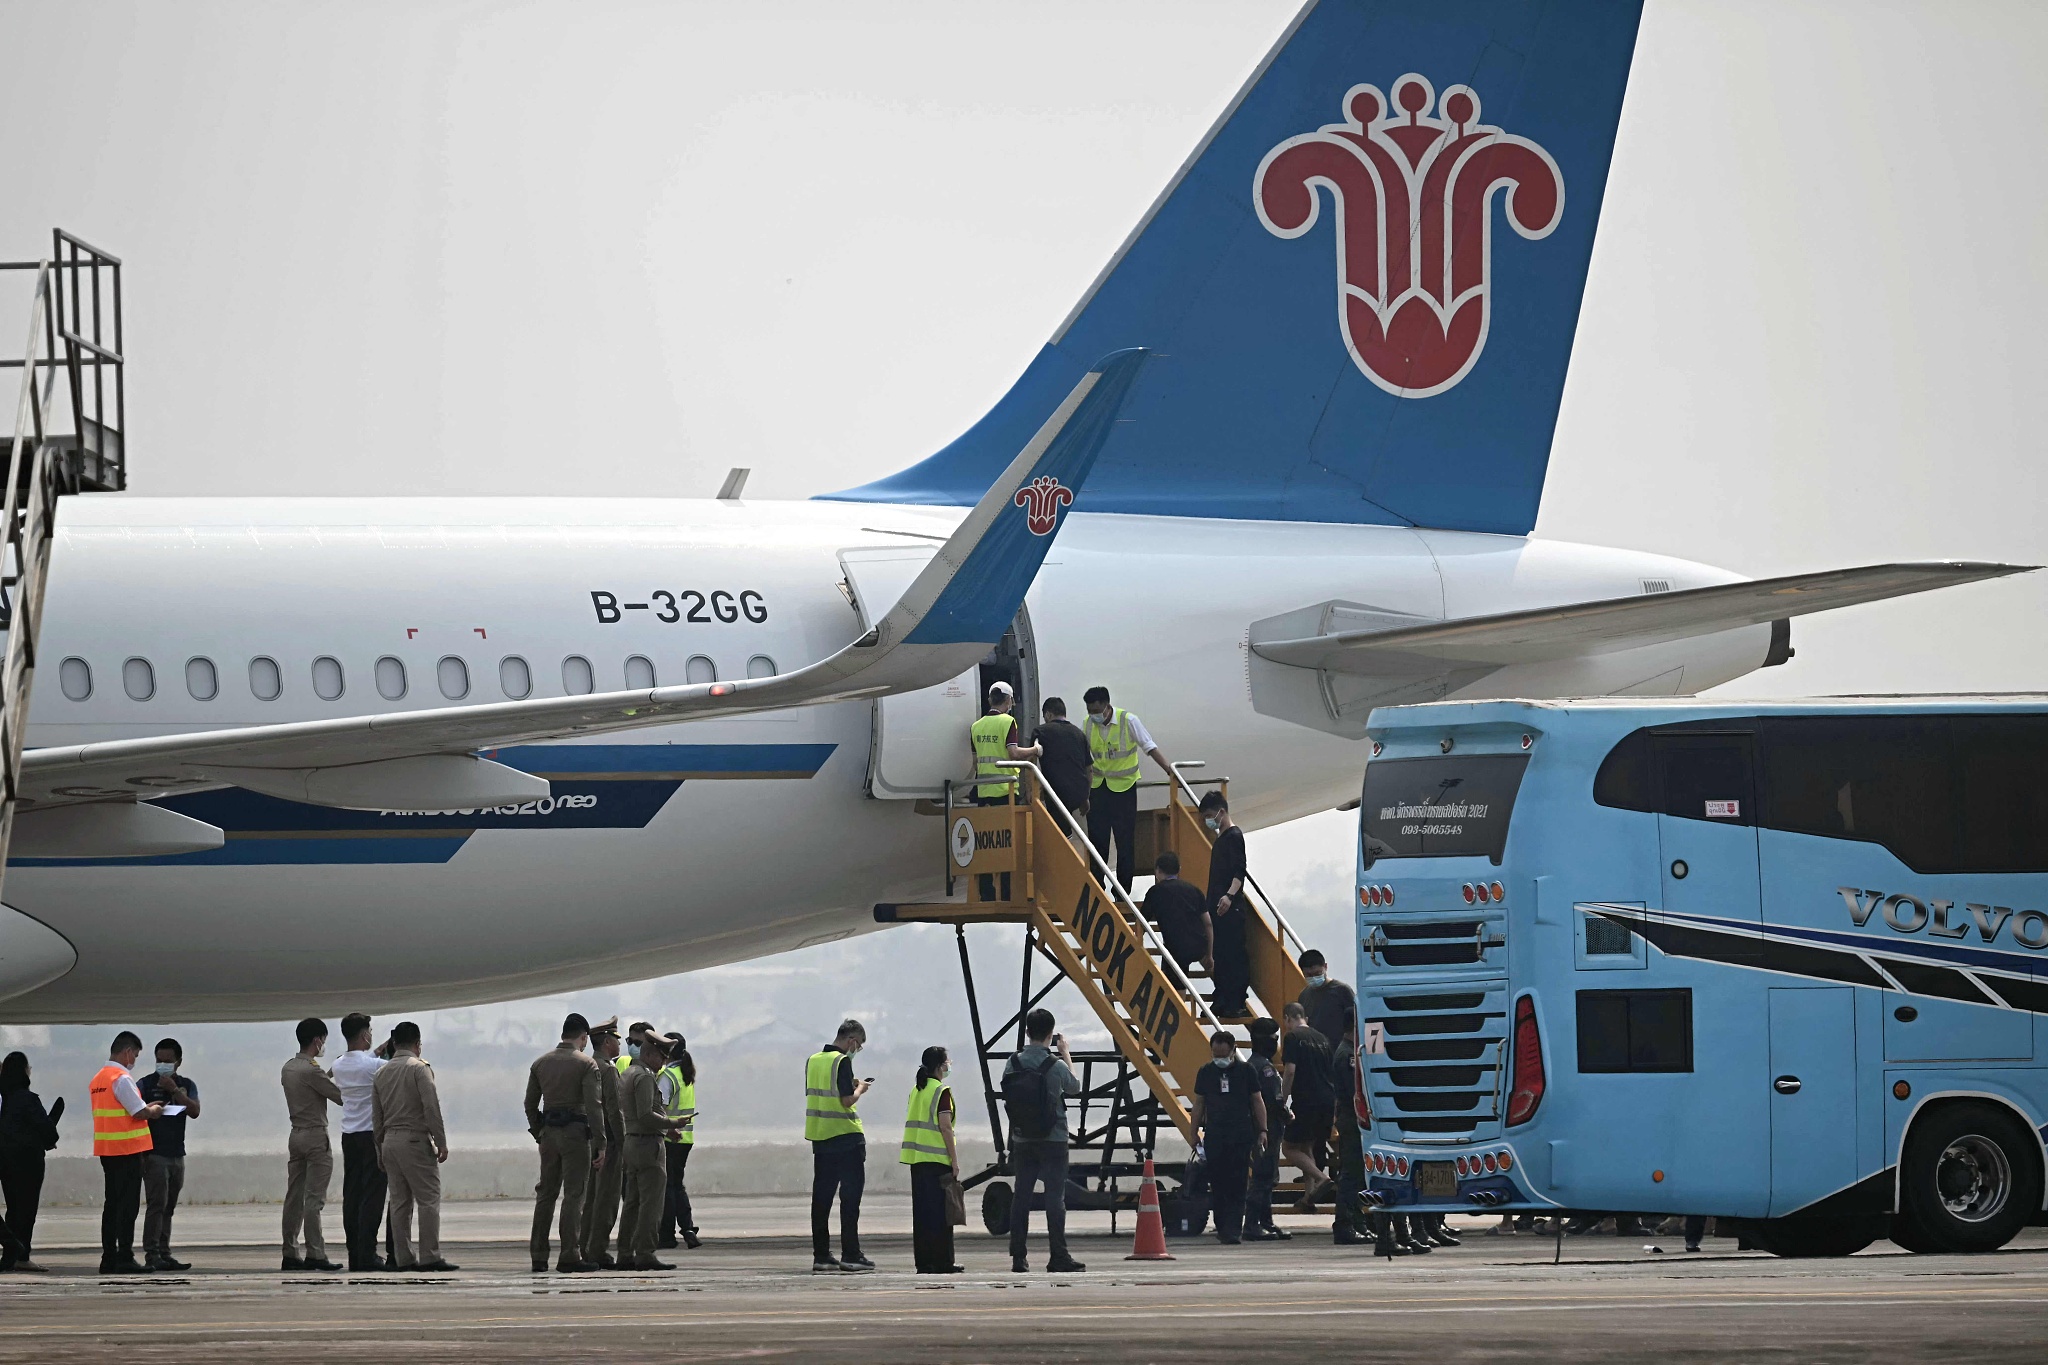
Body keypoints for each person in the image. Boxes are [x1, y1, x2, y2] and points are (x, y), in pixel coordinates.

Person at [1001, 1008, 1085, 1274]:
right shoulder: (1055, 1065)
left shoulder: (1012, 1063)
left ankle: (1018, 1257)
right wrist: (1065, 1053)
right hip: (1054, 1138)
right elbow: (1075, 1087)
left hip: (1022, 1138)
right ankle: (1058, 1255)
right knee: (1054, 1198)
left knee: (1021, 1197)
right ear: (1051, 1033)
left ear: (1027, 1032)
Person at [372, 1021, 455, 1272]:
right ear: (418, 1044)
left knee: (399, 1202)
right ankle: (430, 1256)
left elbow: (377, 1118)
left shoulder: (380, 1073)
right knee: (428, 1199)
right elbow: (431, 1107)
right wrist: (441, 1142)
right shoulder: (419, 1069)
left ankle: (403, 1257)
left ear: (394, 1044)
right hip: (415, 1140)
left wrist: (379, 1149)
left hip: (390, 1142)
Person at [526, 1011, 604, 1273]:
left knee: (545, 1194)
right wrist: (601, 1142)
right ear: (583, 1037)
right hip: (575, 1134)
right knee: (573, 1195)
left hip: (548, 1133)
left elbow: (529, 1104)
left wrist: (539, 1131)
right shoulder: (586, 1064)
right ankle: (570, 1254)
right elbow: (594, 1106)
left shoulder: (540, 1064)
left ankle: (538, 1255)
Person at [1081, 686, 1173, 889]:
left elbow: (1149, 746)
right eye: (1090, 711)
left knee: (1124, 842)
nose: (1093, 715)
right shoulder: (1087, 724)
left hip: (1124, 789)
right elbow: (1083, 758)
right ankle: (1097, 886)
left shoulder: (1128, 720)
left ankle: (1122, 890)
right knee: (1097, 842)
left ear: (1106, 706)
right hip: (1097, 789)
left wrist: (1169, 770)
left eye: (1096, 711)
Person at [90, 1030, 163, 1275]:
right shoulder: (120, 1078)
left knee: (111, 1205)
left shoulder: (99, 1079)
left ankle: (109, 1256)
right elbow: (138, 1112)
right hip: (127, 1150)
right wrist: (153, 1110)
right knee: (127, 1207)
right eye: (136, 1055)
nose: (135, 1060)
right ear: (128, 1051)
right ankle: (125, 1256)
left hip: (107, 1150)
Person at [805, 1019, 873, 1272]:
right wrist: (861, 1090)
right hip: (845, 1137)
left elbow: (824, 1093)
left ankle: (821, 1255)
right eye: (859, 1046)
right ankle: (851, 1254)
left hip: (821, 1138)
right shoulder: (842, 1061)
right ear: (852, 1041)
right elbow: (846, 1101)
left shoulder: (813, 1060)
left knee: (821, 1200)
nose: (857, 1050)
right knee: (850, 1199)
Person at [1192, 1031, 1267, 1245]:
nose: (1219, 1059)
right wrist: (1193, 1133)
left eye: (1223, 1054)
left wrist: (1263, 1130)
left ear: (1233, 1051)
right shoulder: (1206, 1072)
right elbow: (1199, 1104)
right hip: (1215, 1134)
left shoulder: (1246, 1071)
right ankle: (1223, 1226)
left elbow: (1257, 1101)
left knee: (1237, 1182)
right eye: (1216, 1055)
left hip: (1241, 1134)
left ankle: (1233, 1229)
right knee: (1218, 1183)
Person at [280, 1017, 343, 1271]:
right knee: (314, 1199)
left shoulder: (289, 1067)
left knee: (294, 1197)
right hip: (316, 1136)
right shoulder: (312, 1070)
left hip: (296, 1135)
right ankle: (315, 1253)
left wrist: (329, 1072)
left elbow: (315, 1084)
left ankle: (290, 1251)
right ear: (318, 1040)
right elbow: (338, 1096)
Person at [617, 1033, 683, 1270]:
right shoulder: (644, 1077)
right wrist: (674, 1124)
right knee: (651, 1203)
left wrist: (666, 1132)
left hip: (632, 1142)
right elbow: (646, 1114)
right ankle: (645, 1252)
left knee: (632, 1203)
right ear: (650, 1054)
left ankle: (625, 1252)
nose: (663, 1063)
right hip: (647, 1145)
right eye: (661, 1057)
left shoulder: (627, 1073)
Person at [969, 681, 1038, 902]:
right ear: (1008, 701)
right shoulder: (1008, 722)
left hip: (983, 791)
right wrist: (1036, 750)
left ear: (990, 700)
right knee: (1008, 844)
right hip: (1005, 791)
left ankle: (987, 892)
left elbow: (974, 761)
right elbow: (1014, 754)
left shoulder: (976, 726)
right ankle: (1007, 893)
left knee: (985, 843)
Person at [332, 1012, 389, 1272]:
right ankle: (369, 1252)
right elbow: (393, 1069)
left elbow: (350, 1063)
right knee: (373, 1195)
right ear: (365, 1034)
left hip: (349, 1134)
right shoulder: (375, 1066)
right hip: (371, 1134)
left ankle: (355, 1252)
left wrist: (375, 1051)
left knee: (352, 1194)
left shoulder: (340, 1064)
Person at [137, 1037, 200, 1271]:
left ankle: (165, 1251)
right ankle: (152, 1254)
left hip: (177, 1154)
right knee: (157, 1204)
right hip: (154, 1155)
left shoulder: (186, 1084)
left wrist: (175, 1092)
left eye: (168, 1061)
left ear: (178, 1062)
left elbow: (194, 1111)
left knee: (169, 1206)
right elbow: (135, 1113)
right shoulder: (144, 1084)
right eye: (159, 1060)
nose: (162, 1065)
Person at [900, 1045, 962, 1274]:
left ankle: (924, 1261)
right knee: (941, 1215)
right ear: (939, 1066)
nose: (949, 1065)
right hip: (937, 1160)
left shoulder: (916, 1090)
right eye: (947, 1061)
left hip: (917, 1160)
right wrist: (954, 1161)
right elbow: (946, 1128)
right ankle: (943, 1261)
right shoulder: (941, 1091)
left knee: (922, 1214)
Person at [0, 1051, 62, 1273]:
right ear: (24, 1071)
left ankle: (10, 1254)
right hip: (28, 1162)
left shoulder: (4, 1099)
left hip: (5, 1161)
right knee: (26, 1210)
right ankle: (22, 1255)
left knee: (13, 1208)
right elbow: (47, 1131)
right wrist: (49, 1138)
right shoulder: (28, 1099)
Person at [1279, 1002, 1336, 1210]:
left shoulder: (1293, 1038)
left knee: (1289, 1148)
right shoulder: (1323, 1039)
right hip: (1327, 1101)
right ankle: (1308, 1197)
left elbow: (1290, 1071)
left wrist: (1282, 1100)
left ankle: (1321, 1178)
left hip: (1306, 1100)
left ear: (1287, 1018)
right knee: (1307, 1146)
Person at [580, 1018, 626, 1269]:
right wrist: (622, 1142)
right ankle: (598, 1249)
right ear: (607, 1041)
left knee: (589, 1199)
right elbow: (614, 1110)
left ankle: (585, 1246)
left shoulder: (586, 1065)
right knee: (606, 1199)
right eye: (616, 1039)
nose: (619, 1044)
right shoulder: (607, 1069)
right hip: (608, 1143)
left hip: (588, 1140)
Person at [1200, 792, 1251, 1017]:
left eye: (1210, 815)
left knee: (1234, 954)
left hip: (1229, 907)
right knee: (1221, 955)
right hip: (1218, 908)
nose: (1208, 821)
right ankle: (1222, 998)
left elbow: (1240, 870)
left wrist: (1229, 896)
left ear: (1222, 812)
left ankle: (1236, 1000)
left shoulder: (1234, 836)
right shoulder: (1222, 838)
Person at [1242, 1020, 1289, 1242]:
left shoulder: (1253, 1064)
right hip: (1268, 1129)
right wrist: (1286, 1113)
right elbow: (1274, 1099)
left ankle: (1265, 1222)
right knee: (1262, 1176)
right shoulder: (1265, 1068)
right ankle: (1253, 1224)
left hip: (1264, 1128)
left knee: (1267, 1176)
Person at [1139, 850, 1212, 978]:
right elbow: (1208, 923)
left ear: (1158, 871)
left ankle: (1179, 995)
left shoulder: (1155, 892)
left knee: (1175, 985)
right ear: (1179, 869)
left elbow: (1141, 922)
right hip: (1199, 947)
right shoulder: (1194, 890)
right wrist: (1209, 954)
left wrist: (1137, 941)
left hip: (1176, 949)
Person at [658, 1032, 700, 1251]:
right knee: (677, 1185)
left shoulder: (668, 1076)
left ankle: (666, 1234)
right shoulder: (686, 1074)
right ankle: (688, 1228)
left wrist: (665, 1128)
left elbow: (660, 1107)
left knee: (666, 1187)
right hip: (686, 1139)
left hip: (669, 1137)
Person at [1331, 1016, 1369, 1246]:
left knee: (1356, 1175)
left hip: (1350, 1118)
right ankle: (1345, 1224)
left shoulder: (1348, 1051)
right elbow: (1352, 1091)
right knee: (1351, 1174)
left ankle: (1357, 1222)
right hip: (1351, 1118)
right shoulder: (1347, 1055)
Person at [1031, 696, 1091, 819]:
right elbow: (1089, 769)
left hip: (1054, 793)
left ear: (1048, 714)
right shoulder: (1079, 734)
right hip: (1077, 795)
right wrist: (1085, 797)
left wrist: (1030, 792)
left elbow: (1030, 763)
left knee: (1058, 832)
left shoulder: (1040, 732)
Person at [1296, 949, 1358, 1047]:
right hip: (1317, 1053)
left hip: (1339, 1052)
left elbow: (1356, 1021)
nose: (1314, 978)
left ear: (1325, 967)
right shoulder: (1304, 996)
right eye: (1309, 975)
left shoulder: (1342, 990)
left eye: (1318, 973)